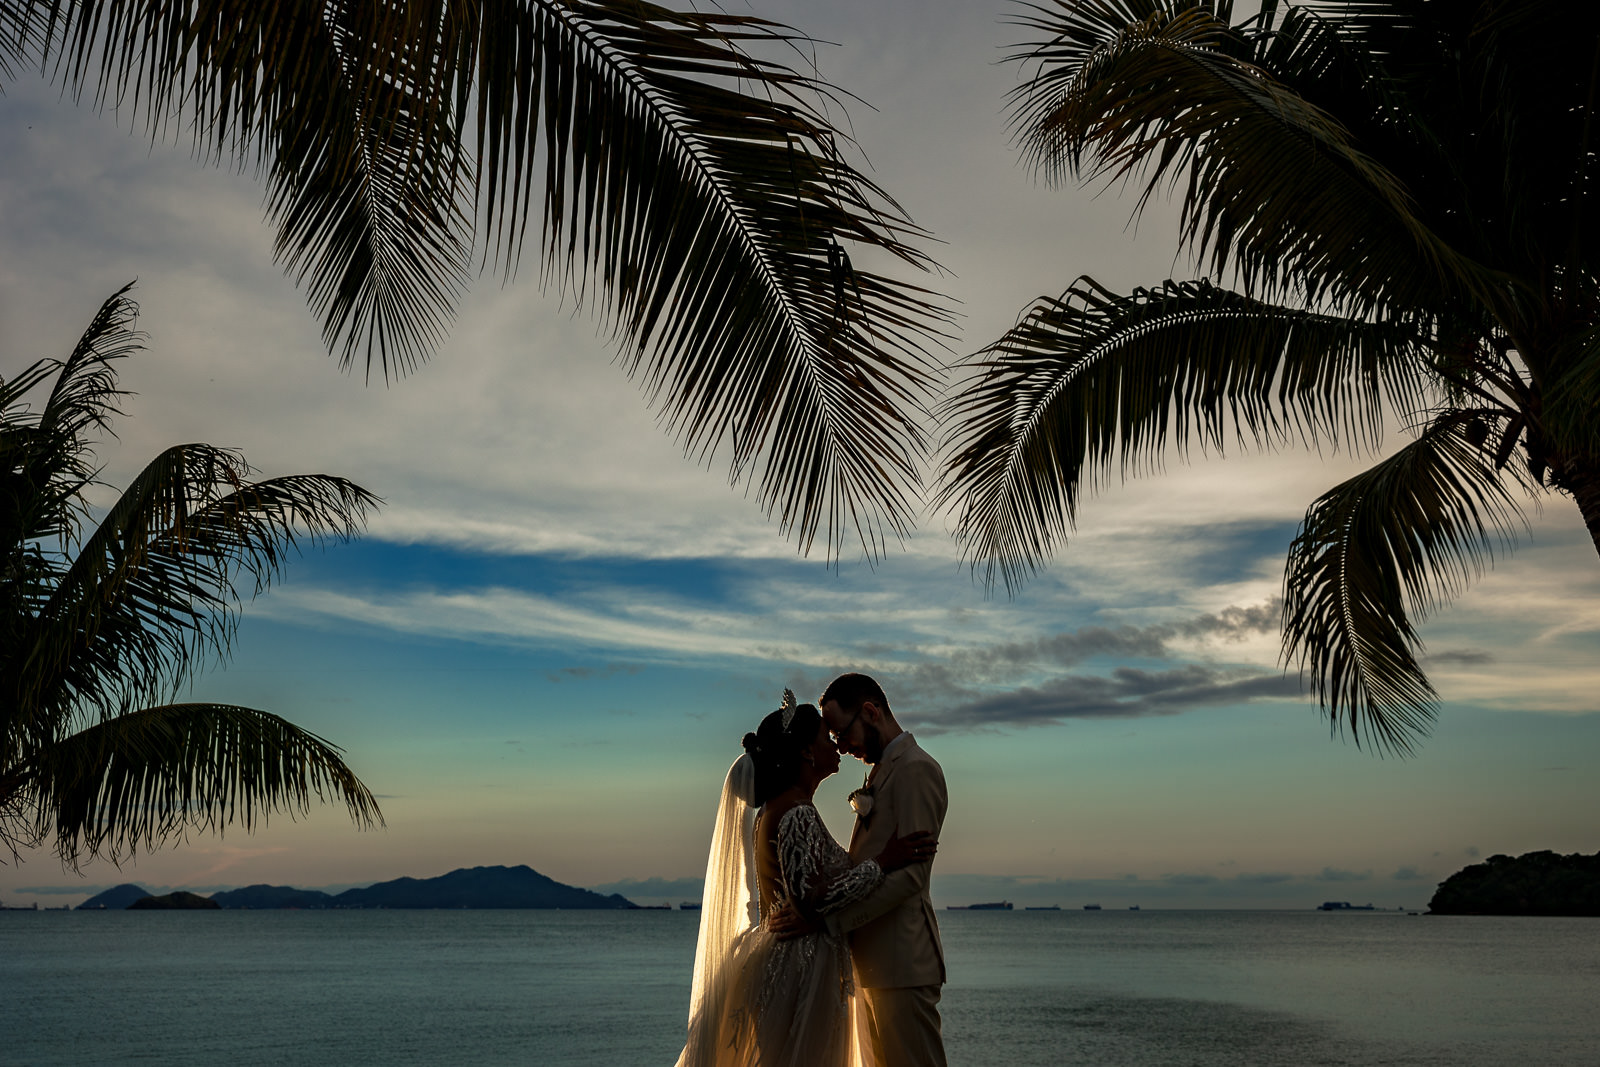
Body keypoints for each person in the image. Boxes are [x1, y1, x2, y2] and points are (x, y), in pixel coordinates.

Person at [675, 692, 936, 1067]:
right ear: (806, 753)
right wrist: (882, 862)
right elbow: (808, 900)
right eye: (825, 737)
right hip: (800, 969)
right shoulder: (795, 812)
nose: (836, 744)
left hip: (793, 960)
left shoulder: (779, 807)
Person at [790, 673, 950, 1067]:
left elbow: (912, 876)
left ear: (870, 711)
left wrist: (830, 920)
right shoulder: (882, 771)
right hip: (875, 962)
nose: (841, 748)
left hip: (903, 963)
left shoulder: (915, 769)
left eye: (842, 735)